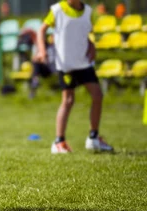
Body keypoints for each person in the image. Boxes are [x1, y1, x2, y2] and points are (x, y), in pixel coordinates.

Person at [36, 0, 114, 154]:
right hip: (66, 65)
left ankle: (94, 137)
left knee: (98, 95)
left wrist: (92, 46)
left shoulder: (88, 12)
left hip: (84, 63)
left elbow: (84, 34)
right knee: (68, 100)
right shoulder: (57, 10)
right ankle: (59, 141)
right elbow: (41, 30)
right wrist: (42, 50)